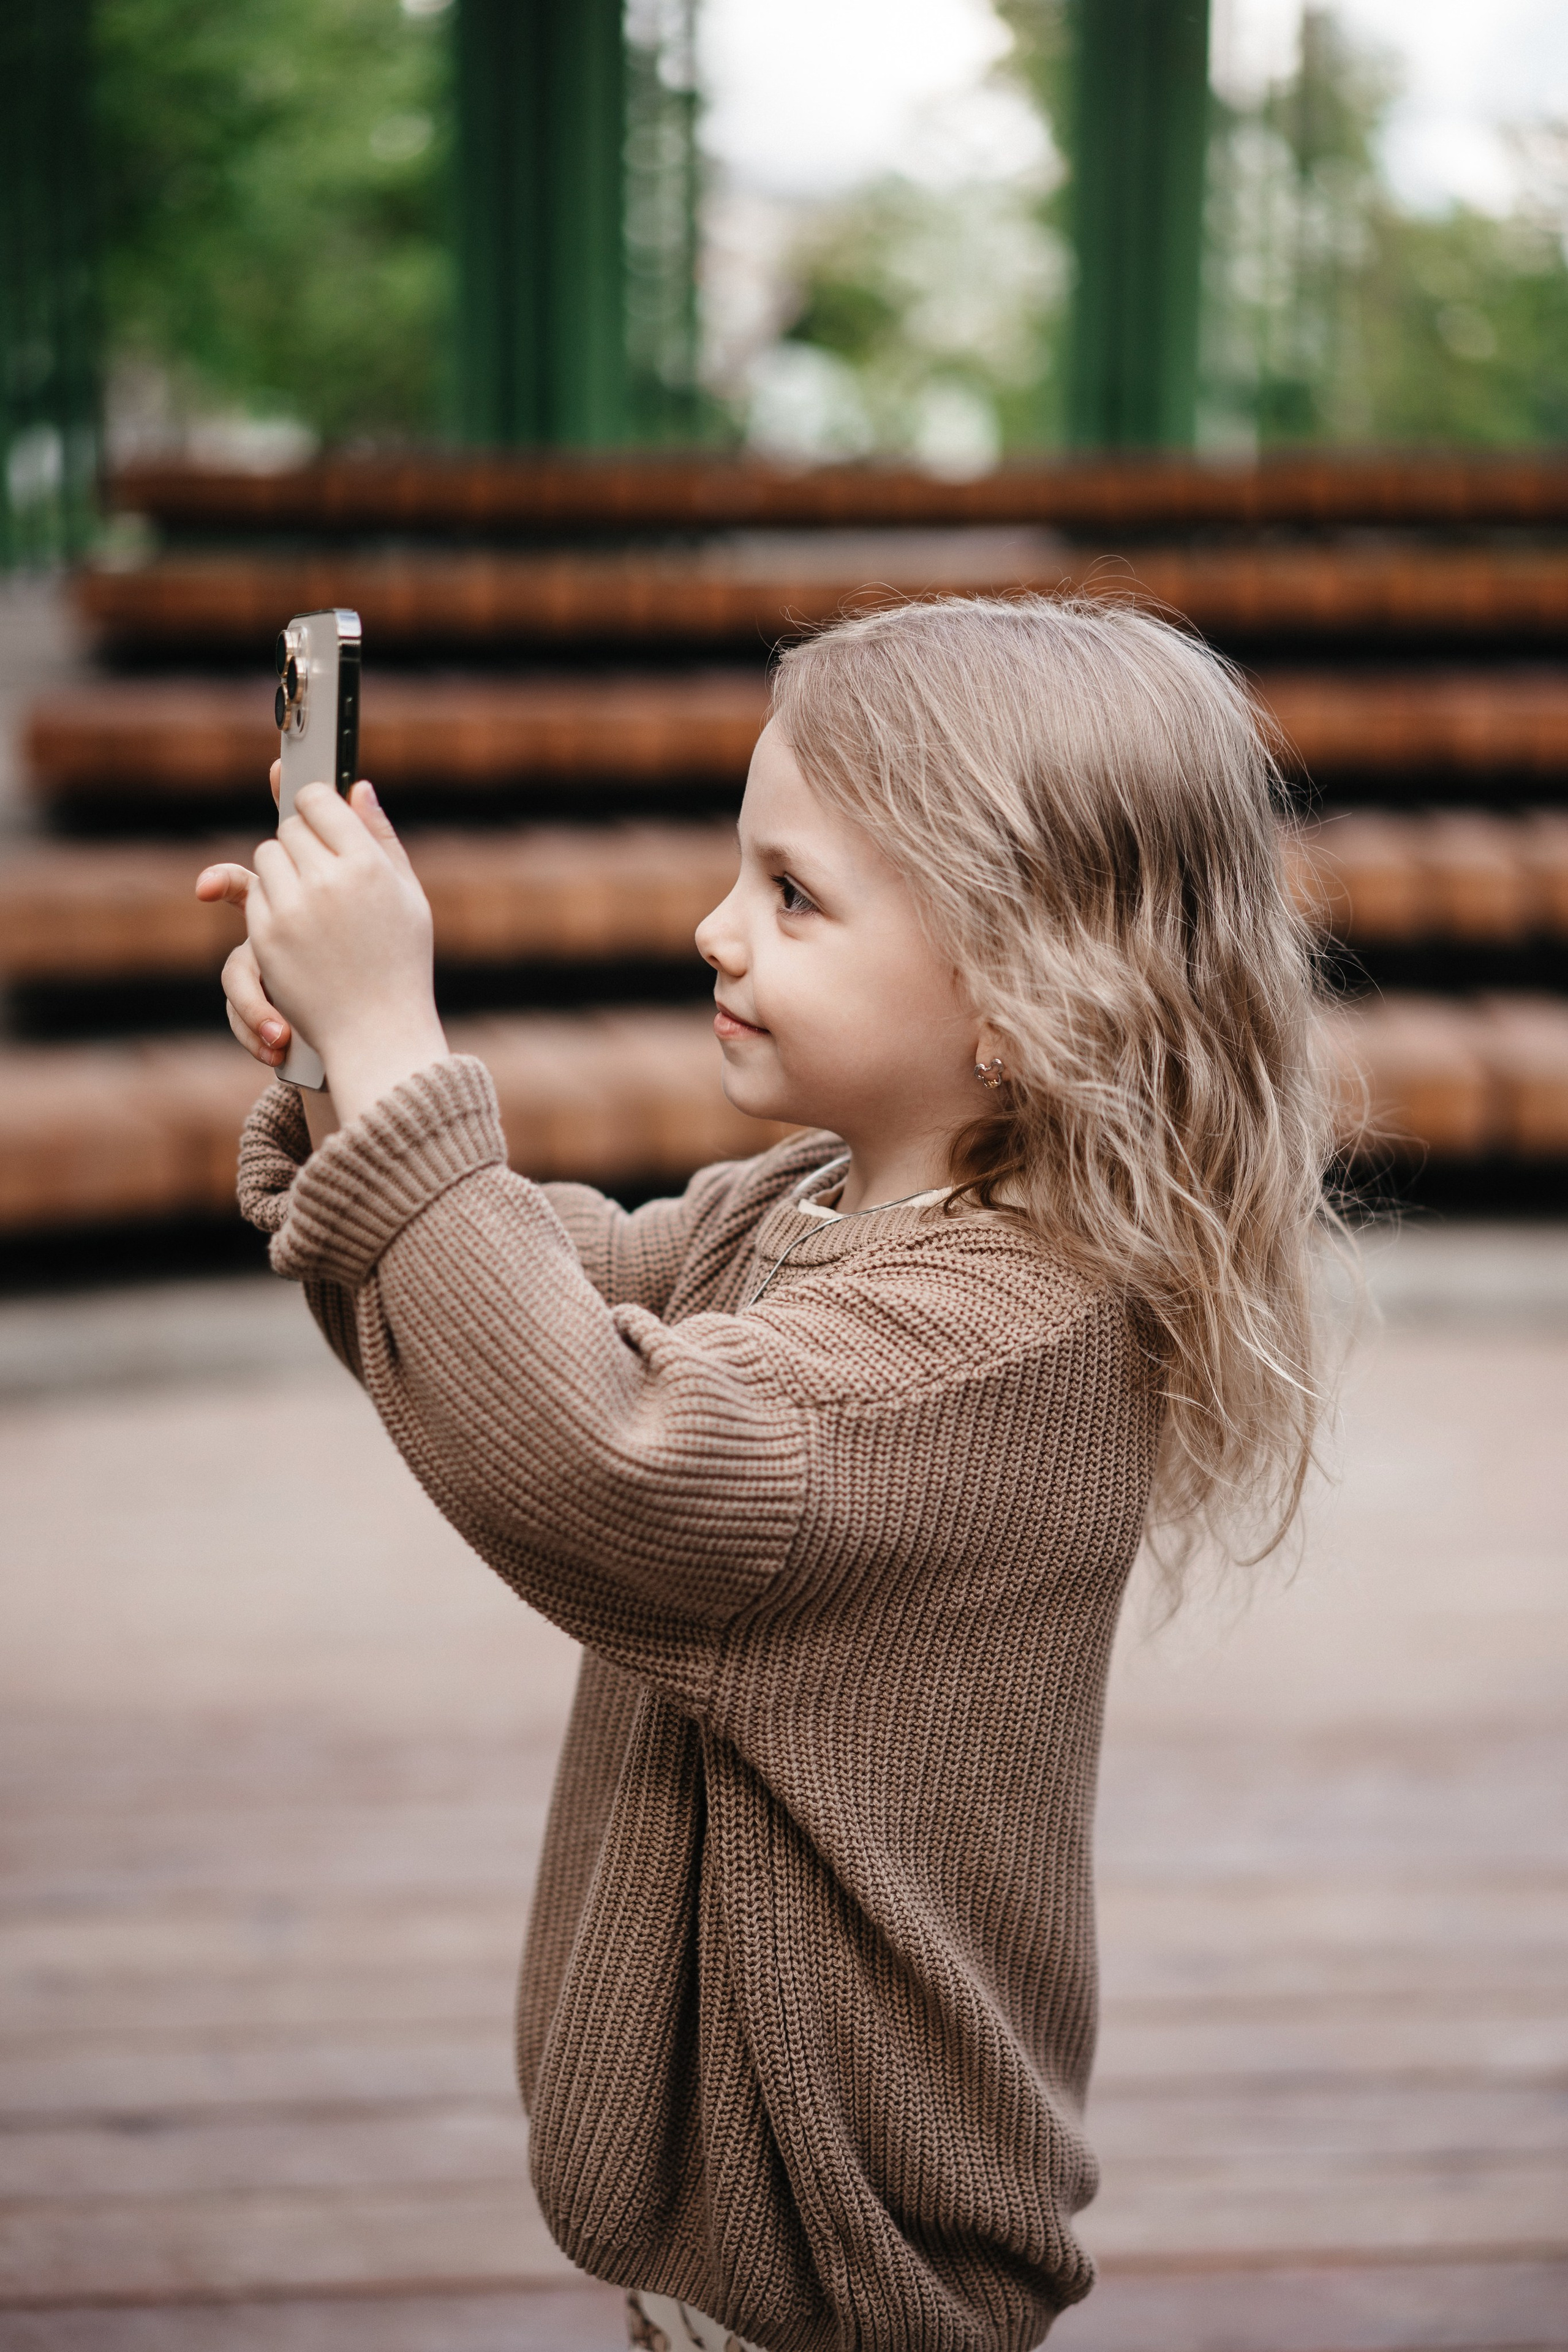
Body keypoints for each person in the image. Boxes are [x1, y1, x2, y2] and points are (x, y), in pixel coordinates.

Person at [199, 595, 1335, 2352]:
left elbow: (599, 1453)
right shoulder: (800, 1205)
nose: (716, 929)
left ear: (1030, 992)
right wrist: (358, 1077)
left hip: (849, 2269)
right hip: (729, 2260)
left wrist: (407, 1049)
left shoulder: (993, 1343)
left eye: (795, 895)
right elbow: (530, 1316)